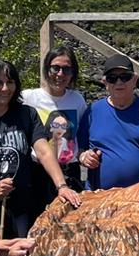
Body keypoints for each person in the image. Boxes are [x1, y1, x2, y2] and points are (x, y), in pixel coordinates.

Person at [0, 59, 81, 239]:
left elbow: (43, 151)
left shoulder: (26, 114)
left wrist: (62, 185)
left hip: (21, 206)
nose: (5, 89)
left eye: (10, 82)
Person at [76, 54, 139, 190]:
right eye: (112, 79)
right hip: (99, 195)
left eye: (125, 77)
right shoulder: (92, 111)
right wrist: (84, 157)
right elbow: (80, 148)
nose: (119, 82)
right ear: (105, 83)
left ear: (135, 79)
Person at [21, 47, 89, 194]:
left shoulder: (77, 99)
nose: (60, 74)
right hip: (38, 171)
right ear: (47, 70)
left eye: (66, 69)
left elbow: (83, 134)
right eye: (55, 68)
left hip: (71, 171)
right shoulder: (29, 98)